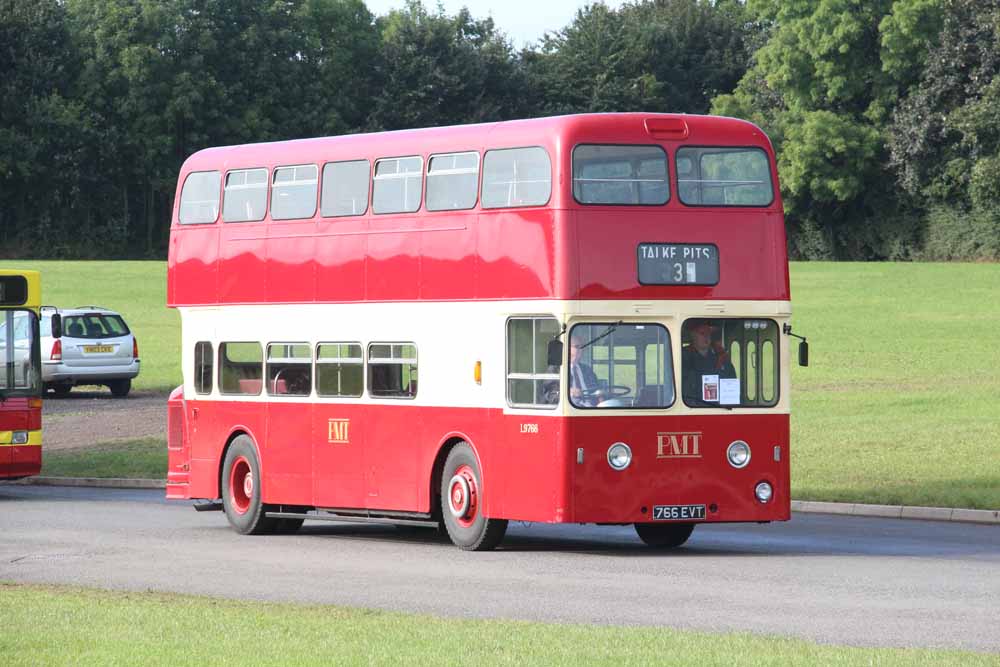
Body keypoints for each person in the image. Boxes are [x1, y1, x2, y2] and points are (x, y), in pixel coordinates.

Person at [681, 320, 736, 405]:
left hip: (718, 408)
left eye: (708, 334)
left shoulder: (721, 358)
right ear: (693, 336)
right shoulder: (682, 357)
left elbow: (731, 383)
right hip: (691, 408)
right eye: (702, 334)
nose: (706, 337)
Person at [569, 334, 601, 407]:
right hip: (572, 410)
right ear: (567, 348)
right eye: (577, 347)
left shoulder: (587, 370)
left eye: (582, 347)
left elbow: (595, 389)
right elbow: (550, 394)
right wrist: (569, 392)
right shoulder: (557, 370)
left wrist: (600, 396)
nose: (580, 350)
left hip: (591, 409)